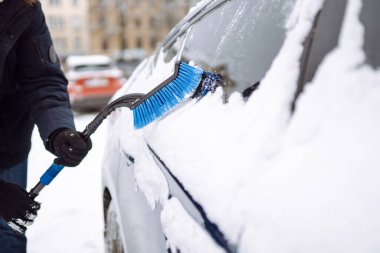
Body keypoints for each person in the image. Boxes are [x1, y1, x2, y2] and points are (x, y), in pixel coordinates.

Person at [0, 0, 92, 251]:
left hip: (8, 144)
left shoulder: (22, 8)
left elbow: (42, 79)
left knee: (8, 234)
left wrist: (59, 131)